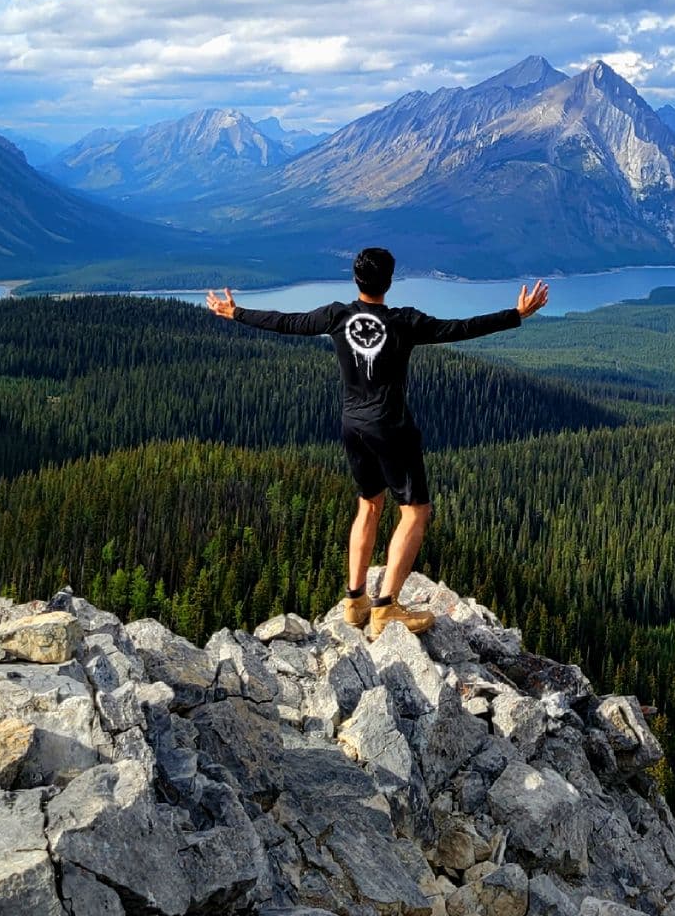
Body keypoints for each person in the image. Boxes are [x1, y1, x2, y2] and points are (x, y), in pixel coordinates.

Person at [208, 247, 549, 639]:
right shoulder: (404, 322)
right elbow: (459, 328)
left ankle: (355, 601)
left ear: (357, 279)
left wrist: (236, 312)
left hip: (352, 426)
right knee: (415, 511)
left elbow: (288, 321)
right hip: (391, 428)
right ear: (389, 281)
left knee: (368, 504)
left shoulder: (337, 316)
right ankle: (385, 607)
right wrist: (516, 315)